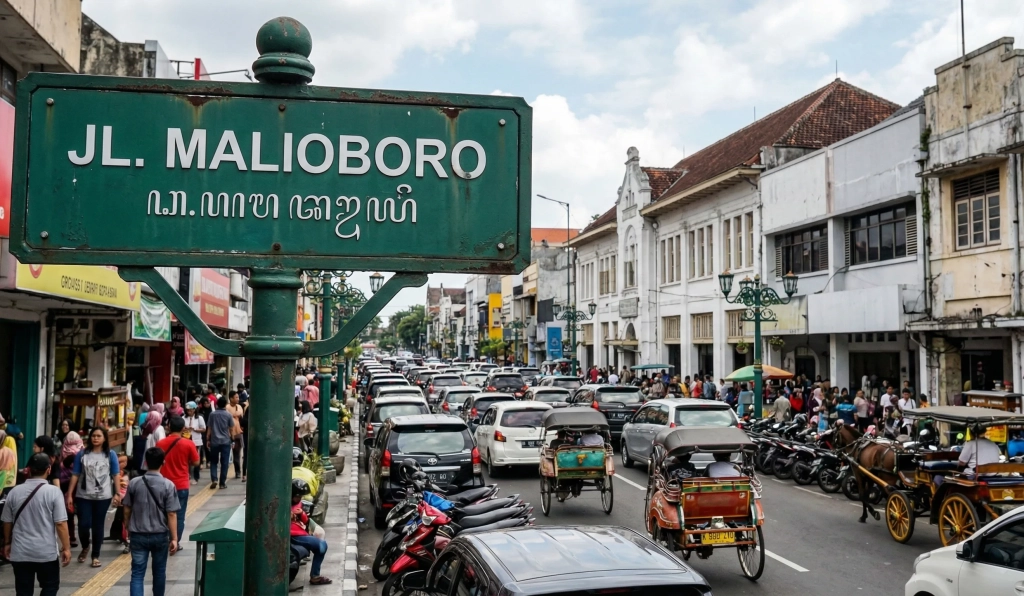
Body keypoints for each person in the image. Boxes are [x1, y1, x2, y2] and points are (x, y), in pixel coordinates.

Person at [1, 453, 71, 596]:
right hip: (46, 553)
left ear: (29, 470)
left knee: (23, 591)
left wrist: (7, 543)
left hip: (20, 552)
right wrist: (66, 548)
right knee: (50, 588)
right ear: (49, 470)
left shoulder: (14, 492)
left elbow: (7, 521)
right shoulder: (54, 492)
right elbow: (61, 524)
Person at [123, 447, 180, 596]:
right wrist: (174, 538)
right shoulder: (168, 485)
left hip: (138, 534)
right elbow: (172, 513)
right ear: (164, 462)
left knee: (137, 573)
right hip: (160, 535)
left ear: (146, 462)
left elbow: (127, 508)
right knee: (159, 572)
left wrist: (128, 526)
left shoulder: (134, 483)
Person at [66, 427, 121, 567]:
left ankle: (95, 555)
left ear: (104, 438)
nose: (95, 438)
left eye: (98, 436)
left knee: (98, 525)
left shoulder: (111, 455)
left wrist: (118, 493)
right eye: (93, 436)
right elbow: (75, 474)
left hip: (103, 497)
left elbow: (115, 474)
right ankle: (85, 546)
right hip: (83, 496)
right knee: (83, 525)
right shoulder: (82, 454)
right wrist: (69, 494)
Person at [156, 416, 198, 549]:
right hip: (181, 485)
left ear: (168, 427)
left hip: (162, 484)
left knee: (162, 514)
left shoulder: (160, 444)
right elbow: (196, 462)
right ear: (183, 428)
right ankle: (175, 542)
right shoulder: (188, 443)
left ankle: (163, 540)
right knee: (179, 515)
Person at [290, 479, 332, 585]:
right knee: (321, 546)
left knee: (322, 545)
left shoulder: (298, 504)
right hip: (293, 535)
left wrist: (301, 514)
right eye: (297, 496)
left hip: (301, 532)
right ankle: (315, 577)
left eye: (300, 497)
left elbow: (306, 521)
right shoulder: (285, 504)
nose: (299, 499)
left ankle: (315, 576)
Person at [206, 397, 235, 489]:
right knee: (225, 462)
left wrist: (207, 439)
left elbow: (209, 428)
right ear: (226, 404)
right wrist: (233, 439)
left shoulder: (212, 414)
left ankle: (214, 479)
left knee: (214, 461)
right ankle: (222, 483)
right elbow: (231, 429)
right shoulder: (228, 415)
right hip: (226, 441)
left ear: (217, 404)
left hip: (214, 441)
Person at [182, 402, 206, 485]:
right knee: (186, 459)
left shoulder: (199, 418)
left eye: (191, 410)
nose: (189, 412)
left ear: (194, 410)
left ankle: (196, 477)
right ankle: (187, 475)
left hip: (196, 441)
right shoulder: (183, 418)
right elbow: (181, 428)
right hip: (186, 440)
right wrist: (186, 429)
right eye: (188, 410)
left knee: (196, 459)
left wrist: (195, 429)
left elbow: (203, 429)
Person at [225, 392, 245, 480]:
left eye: (238, 397)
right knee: (226, 455)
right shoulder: (227, 407)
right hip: (228, 433)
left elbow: (241, 416)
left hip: (238, 433)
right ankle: (224, 472)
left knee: (237, 454)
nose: (238, 399)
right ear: (231, 398)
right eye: (236, 397)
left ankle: (237, 471)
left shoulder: (240, 407)